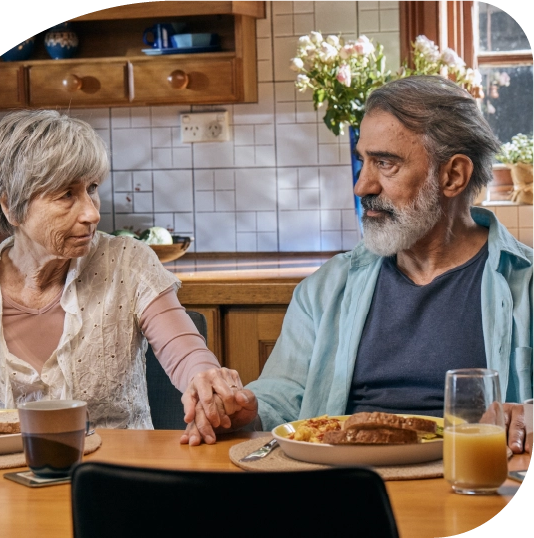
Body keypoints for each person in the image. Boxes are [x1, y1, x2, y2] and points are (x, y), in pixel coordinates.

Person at [180, 75, 532, 453]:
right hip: (347, 489)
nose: (362, 186)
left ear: (453, 176)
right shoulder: (327, 288)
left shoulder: (525, 284)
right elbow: (283, 396)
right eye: (363, 162)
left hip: (473, 483)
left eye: (385, 164)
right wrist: (244, 410)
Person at [0, 109, 241, 433]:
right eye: (66, 195)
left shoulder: (129, 262)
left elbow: (186, 354)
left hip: (112, 481)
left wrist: (205, 377)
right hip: (3, 489)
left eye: (92, 189)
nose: (92, 212)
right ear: (11, 207)